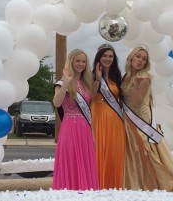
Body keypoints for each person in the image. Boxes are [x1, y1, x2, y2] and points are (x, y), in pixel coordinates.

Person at [121, 46, 173, 192]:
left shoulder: (144, 78)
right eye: (138, 56)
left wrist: (137, 83)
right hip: (128, 119)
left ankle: (158, 184)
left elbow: (136, 102)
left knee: (148, 151)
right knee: (133, 153)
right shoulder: (125, 76)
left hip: (142, 119)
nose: (140, 60)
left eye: (143, 59)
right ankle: (135, 183)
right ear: (131, 57)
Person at [52, 49, 99, 190]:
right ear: (71, 62)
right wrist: (66, 82)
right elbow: (57, 103)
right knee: (70, 161)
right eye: (77, 60)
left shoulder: (86, 83)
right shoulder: (62, 83)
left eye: (83, 61)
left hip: (85, 128)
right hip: (69, 128)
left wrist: (98, 78)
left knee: (85, 162)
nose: (81, 64)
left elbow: (91, 102)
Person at [91, 43, 126, 189]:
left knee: (114, 154)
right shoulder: (91, 76)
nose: (107, 58)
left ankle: (114, 187)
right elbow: (90, 97)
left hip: (115, 121)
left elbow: (123, 100)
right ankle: (97, 186)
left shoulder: (117, 77)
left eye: (110, 56)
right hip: (98, 118)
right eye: (104, 55)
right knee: (99, 152)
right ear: (99, 58)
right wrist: (98, 79)